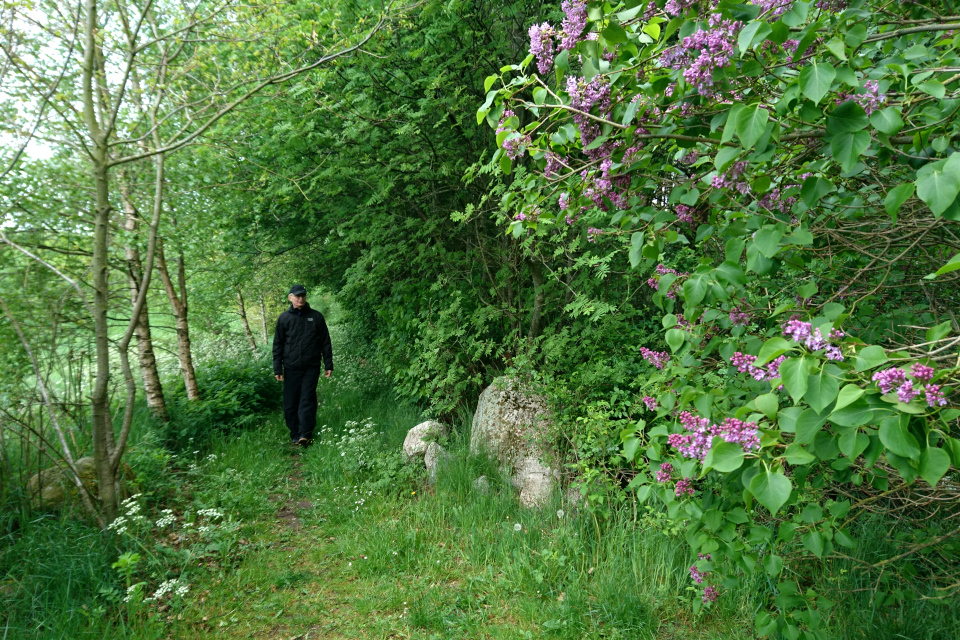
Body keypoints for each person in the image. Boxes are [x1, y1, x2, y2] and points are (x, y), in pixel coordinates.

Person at [272, 284, 333, 446]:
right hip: (291, 367)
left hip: (311, 366)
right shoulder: (284, 319)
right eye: (297, 296)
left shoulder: (316, 317)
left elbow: (325, 342)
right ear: (290, 297)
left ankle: (305, 433)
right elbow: (277, 344)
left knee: (307, 398)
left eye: (303, 296)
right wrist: (277, 367)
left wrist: (328, 364)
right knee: (291, 401)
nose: (301, 299)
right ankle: (295, 432)